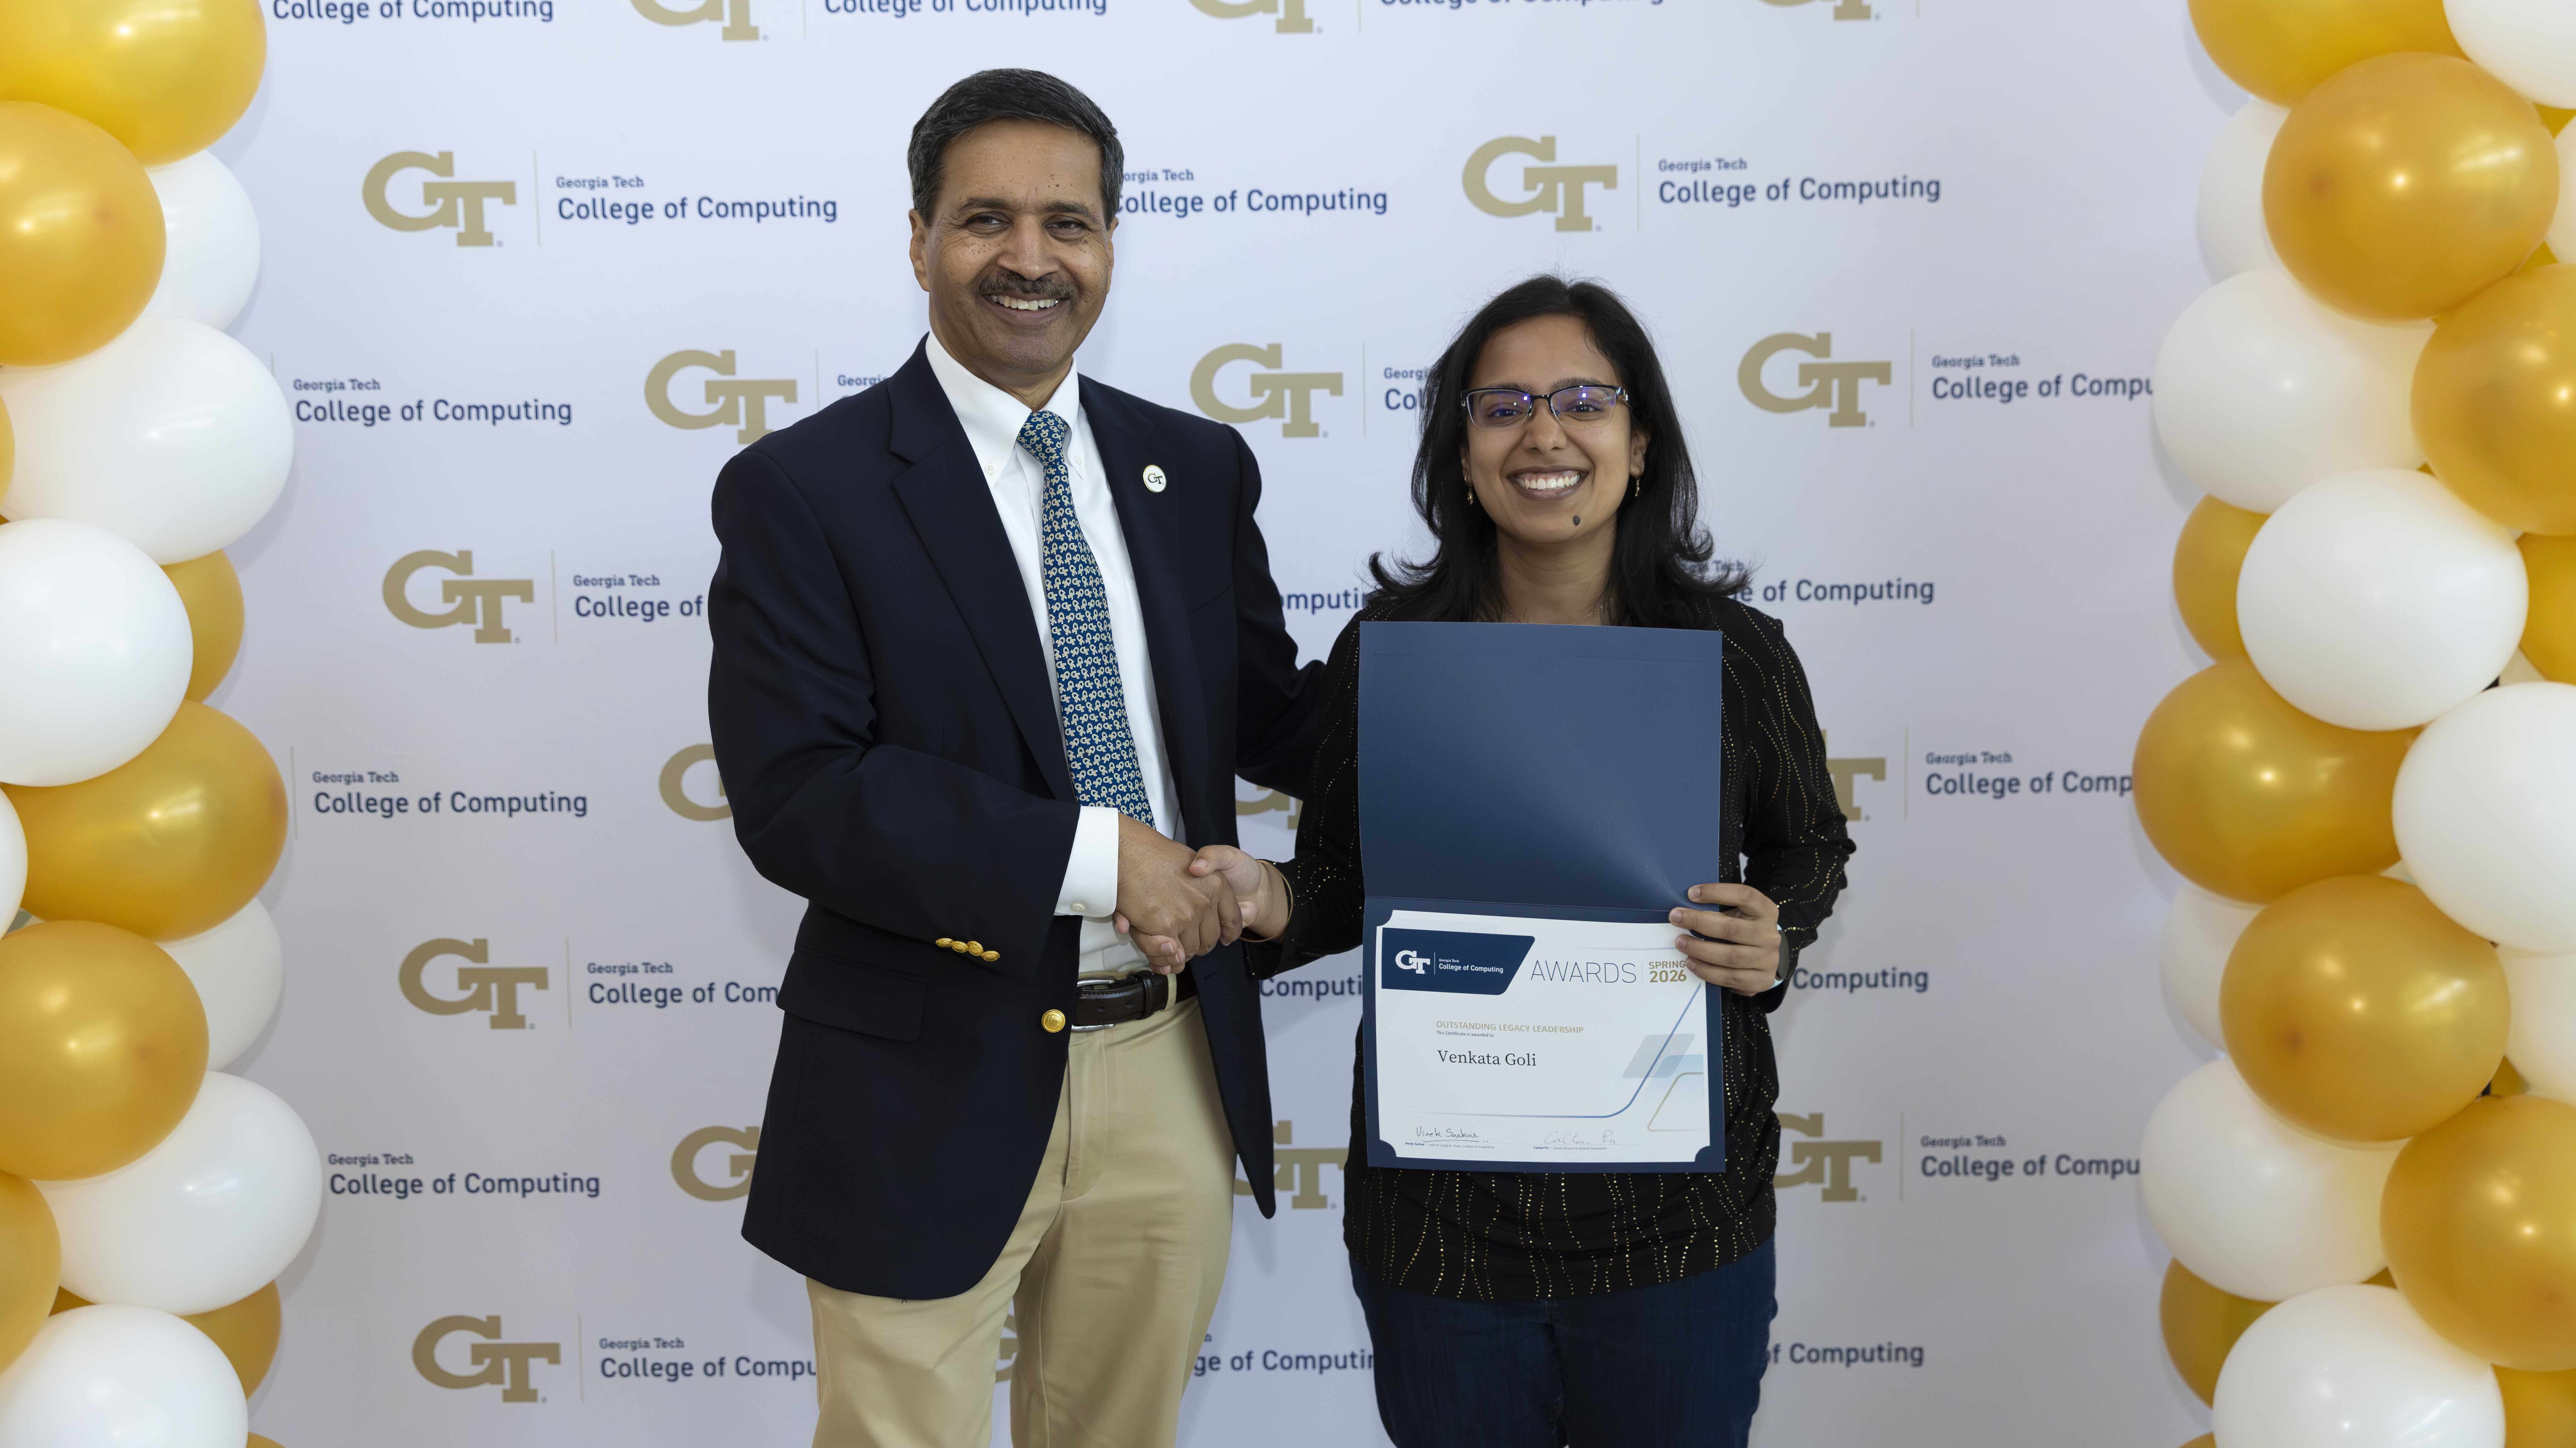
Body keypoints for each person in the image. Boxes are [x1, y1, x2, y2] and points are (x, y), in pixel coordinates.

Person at [1131, 276, 1856, 1447]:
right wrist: (1265, 897)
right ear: (1462, 452)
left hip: (1679, 1224)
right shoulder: (1391, 654)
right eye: (1503, 404)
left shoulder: (1731, 654)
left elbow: (1810, 841)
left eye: (1583, 399)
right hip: (1442, 1230)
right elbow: (1341, 891)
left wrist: (1777, 928)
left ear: (1640, 440)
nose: (1544, 432)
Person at [702, 68, 1317, 1448]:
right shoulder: (806, 489)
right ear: (916, 238)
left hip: (1169, 1058)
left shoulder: (1195, 467)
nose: (1029, 259)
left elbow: (1271, 714)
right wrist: (1106, 860)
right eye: (985, 220)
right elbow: (803, 792)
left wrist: (1515, 659)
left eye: (1068, 223)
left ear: (1109, 245)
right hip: (922, 1074)